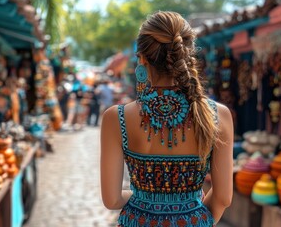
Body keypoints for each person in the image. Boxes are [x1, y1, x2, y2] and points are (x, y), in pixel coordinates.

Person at [100, 11, 233, 227]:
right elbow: (223, 198)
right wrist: (193, 217)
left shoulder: (116, 118)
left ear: (142, 58)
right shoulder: (217, 114)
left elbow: (112, 199)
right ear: (188, 54)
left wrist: (148, 203)